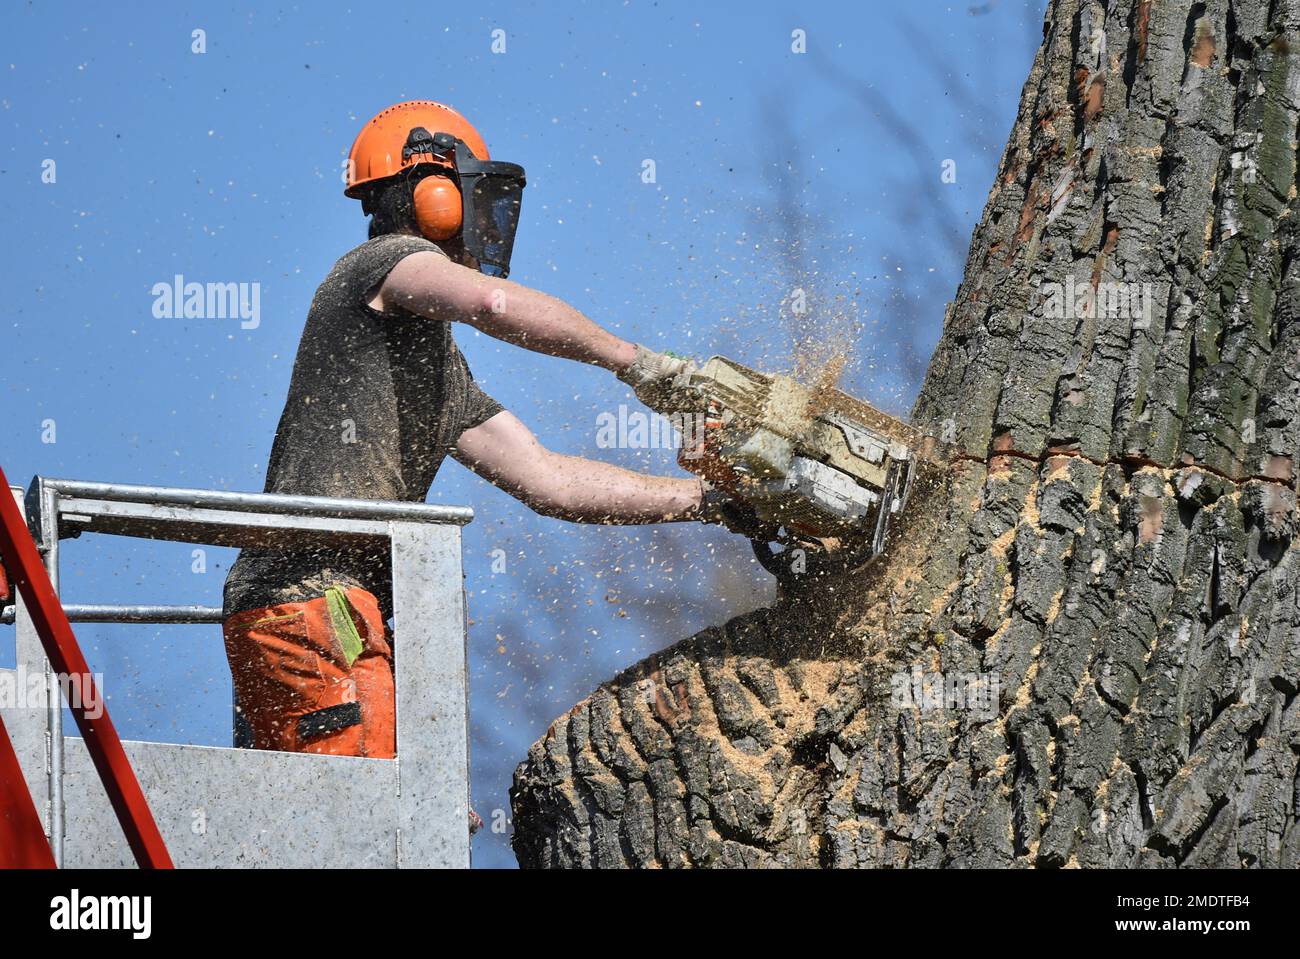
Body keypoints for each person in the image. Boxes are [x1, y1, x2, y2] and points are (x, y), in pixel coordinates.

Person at [221, 100, 751, 775]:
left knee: (370, 821)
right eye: (480, 199)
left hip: (335, 613)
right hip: (308, 601)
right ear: (436, 194)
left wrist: (706, 501)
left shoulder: (439, 372)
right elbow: (491, 304)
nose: (488, 223)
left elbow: (547, 478)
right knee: (360, 827)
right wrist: (639, 365)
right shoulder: (381, 263)